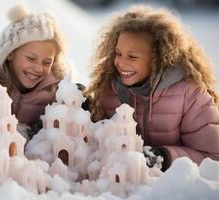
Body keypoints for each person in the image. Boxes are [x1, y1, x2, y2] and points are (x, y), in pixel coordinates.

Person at [84, 5, 219, 171]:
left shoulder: (190, 95)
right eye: (118, 53)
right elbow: (94, 142)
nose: (121, 63)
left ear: (158, 59)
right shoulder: (108, 89)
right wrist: (84, 109)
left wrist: (163, 158)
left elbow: (212, 157)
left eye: (132, 56)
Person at [0, 3, 71, 133]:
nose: (39, 68)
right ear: (10, 53)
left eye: (47, 62)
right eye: (31, 59)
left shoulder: (54, 91)